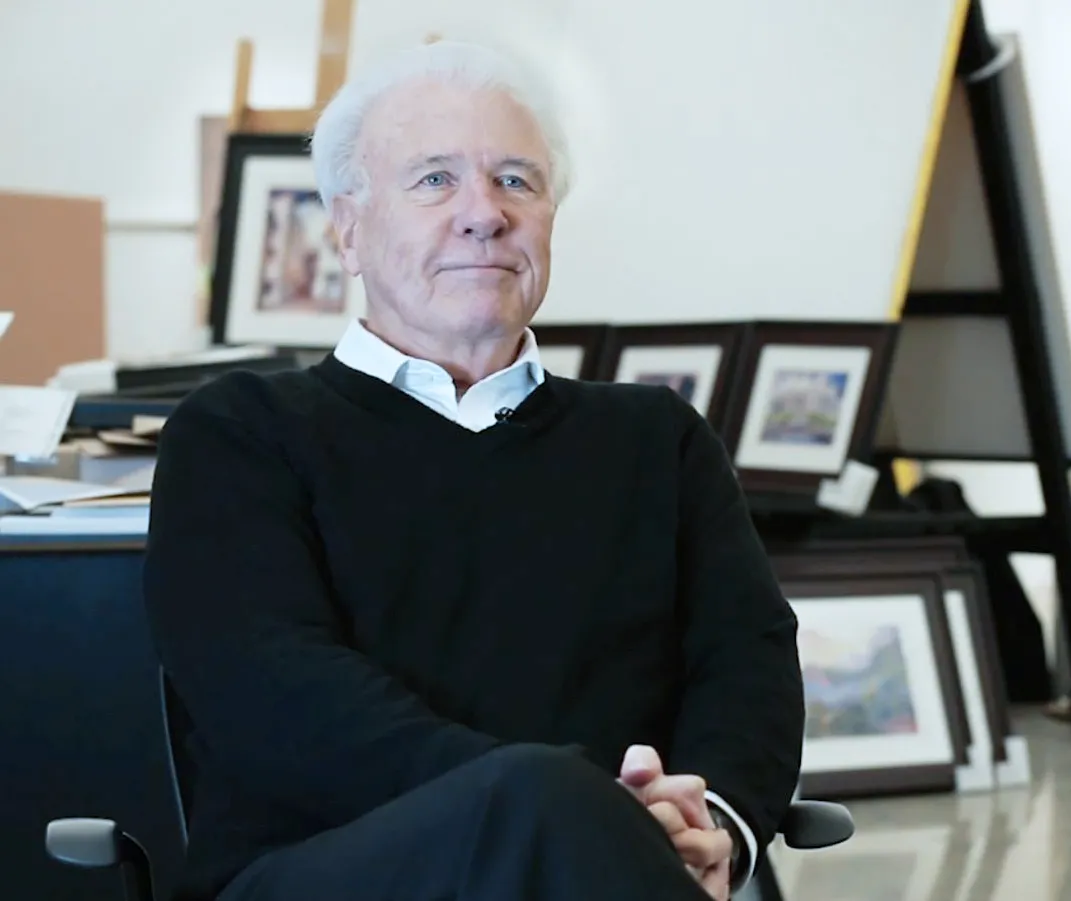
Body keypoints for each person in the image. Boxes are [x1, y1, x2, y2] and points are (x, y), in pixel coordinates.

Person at [143, 39, 804, 901]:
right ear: (347, 226)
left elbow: (748, 661)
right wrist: (585, 810)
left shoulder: (658, 440)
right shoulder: (238, 435)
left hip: (628, 865)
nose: (483, 213)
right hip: (325, 870)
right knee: (540, 804)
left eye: (516, 181)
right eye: (433, 180)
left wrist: (710, 822)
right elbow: (280, 700)